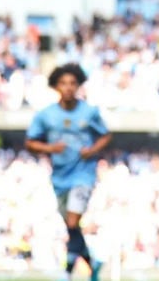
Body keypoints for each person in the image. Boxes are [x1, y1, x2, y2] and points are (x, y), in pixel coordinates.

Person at [26, 64, 111, 281]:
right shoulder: (46, 115)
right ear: (56, 86)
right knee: (71, 227)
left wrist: (92, 150)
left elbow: (106, 135)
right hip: (60, 177)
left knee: (73, 223)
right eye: (64, 83)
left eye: (73, 83)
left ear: (79, 86)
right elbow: (30, 142)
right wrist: (50, 148)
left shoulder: (89, 112)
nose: (69, 88)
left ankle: (67, 272)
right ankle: (93, 264)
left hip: (84, 174)